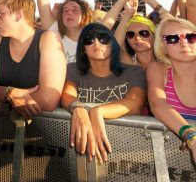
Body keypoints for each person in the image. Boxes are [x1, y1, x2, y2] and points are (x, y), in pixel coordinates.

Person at [61, 23, 146, 163]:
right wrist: (78, 107)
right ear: (83, 49)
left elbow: (135, 103)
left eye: (103, 38)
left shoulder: (134, 72)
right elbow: (67, 94)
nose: (96, 42)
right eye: (89, 40)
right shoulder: (73, 70)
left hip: (126, 151)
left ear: (113, 43)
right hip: (79, 153)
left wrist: (97, 111)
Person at [0, 0, 66, 119]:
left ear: (18, 15)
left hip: (42, 131)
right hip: (3, 128)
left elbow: (48, 100)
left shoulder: (48, 39)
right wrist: (9, 93)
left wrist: (5, 96)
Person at [147, 16, 196, 163]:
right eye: (173, 39)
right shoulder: (157, 69)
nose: (184, 43)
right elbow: (158, 104)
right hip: (171, 162)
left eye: (191, 37)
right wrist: (191, 137)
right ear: (163, 46)